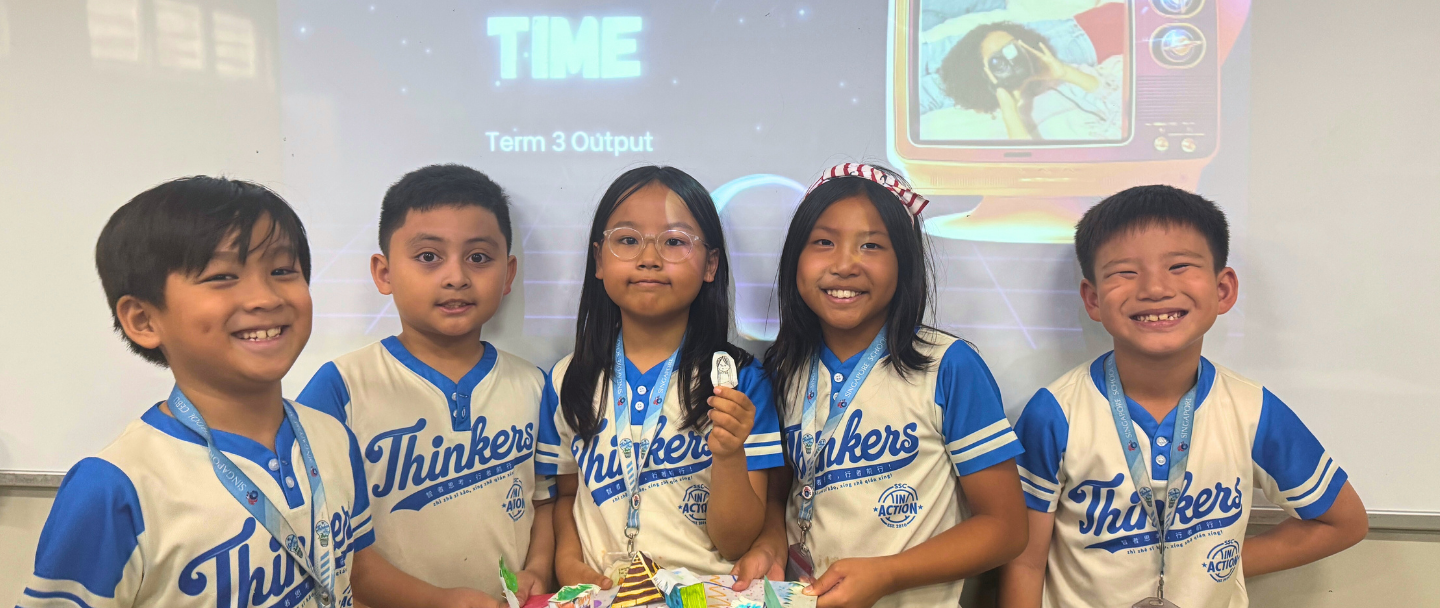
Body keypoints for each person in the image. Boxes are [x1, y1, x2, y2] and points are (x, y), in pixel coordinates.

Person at [999, 185, 1370, 608]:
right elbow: (1025, 563)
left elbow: (1344, 522)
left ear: (1223, 289)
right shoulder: (1055, 413)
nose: (1155, 288)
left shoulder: (1252, 410)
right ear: (1093, 298)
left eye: (1179, 266)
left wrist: (1214, 566)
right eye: (1125, 272)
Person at [17, 177, 374, 607]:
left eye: (282, 270)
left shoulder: (334, 438)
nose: (265, 297)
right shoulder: (115, 488)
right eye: (222, 276)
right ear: (144, 320)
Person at [761, 163, 1030, 608]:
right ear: (795, 259)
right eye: (823, 242)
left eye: (871, 245)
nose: (844, 265)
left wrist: (888, 573)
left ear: (904, 263)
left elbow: (1005, 528)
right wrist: (770, 542)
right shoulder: (781, 369)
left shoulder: (948, 365)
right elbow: (777, 497)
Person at [297, 165, 555, 607]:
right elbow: (324, 538)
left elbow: (544, 502)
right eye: (429, 256)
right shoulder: (341, 388)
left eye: (478, 257)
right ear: (384, 272)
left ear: (509, 273)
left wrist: (537, 569)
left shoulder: (532, 384)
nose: (456, 277)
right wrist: (436, 601)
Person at [536, 166, 785, 585]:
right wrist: (567, 561)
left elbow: (736, 543)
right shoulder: (568, 377)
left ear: (710, 264)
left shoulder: (739, 380)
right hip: (605, 594)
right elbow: (566, 495)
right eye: (627, 240)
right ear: (599, 260)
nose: (649, 258)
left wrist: (728, 455)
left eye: (674, 241)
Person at [938, 18, 1123, 141]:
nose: (1011, 60)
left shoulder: (1062, 76)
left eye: (1013, 48)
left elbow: (1125, 102)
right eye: (997, 61)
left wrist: (1066, 73)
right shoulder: (1005, 124)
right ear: (982, 73)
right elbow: (1029, 170)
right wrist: (1010, 111)